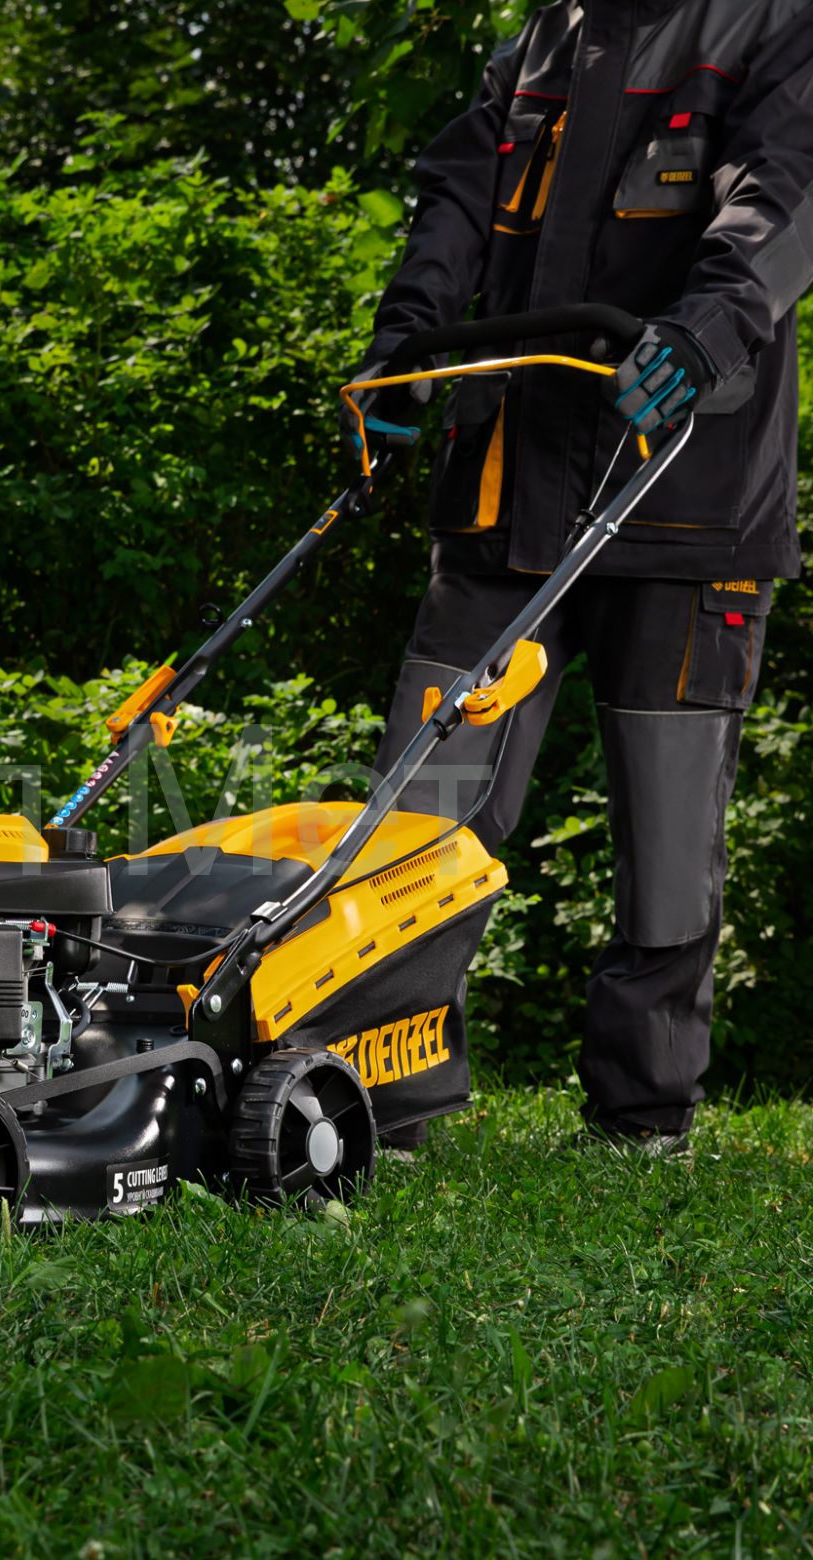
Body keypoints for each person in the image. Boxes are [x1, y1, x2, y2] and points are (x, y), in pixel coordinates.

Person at [345, 0, 813, 1155]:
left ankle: (642, 1116)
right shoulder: (547, 35)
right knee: (425, 807)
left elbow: (784, 195)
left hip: (689, 492)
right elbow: (458, 196)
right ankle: (387, 1099)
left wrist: (707, 327)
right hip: (508, 490)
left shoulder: (772, 26)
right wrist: (408, 341)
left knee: (667, 827)